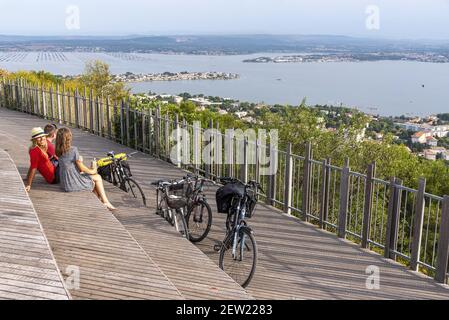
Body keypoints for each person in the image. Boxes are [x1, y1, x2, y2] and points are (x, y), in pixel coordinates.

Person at [55, 127, 116, 211]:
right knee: (97, 177)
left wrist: (79, 160)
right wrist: (93, 170)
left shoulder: (58, 151)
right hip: (73, 183)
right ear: (69, 138)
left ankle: (100, 203)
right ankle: (105, 202)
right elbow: (82, 168)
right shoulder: (73, 150)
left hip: (65, 183)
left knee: (93, 180)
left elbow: (71, 163)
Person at [25, 127, 58, 192]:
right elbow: (34, 167)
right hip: (54, 177)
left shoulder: (40, 147)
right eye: (39, 137)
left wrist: (27, 177)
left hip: (54, 171)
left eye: (43, 136)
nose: (42, 139)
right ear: (34, 140)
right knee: (72, 158)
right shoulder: (35, 150)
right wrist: (28, 184)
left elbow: (32, 165)